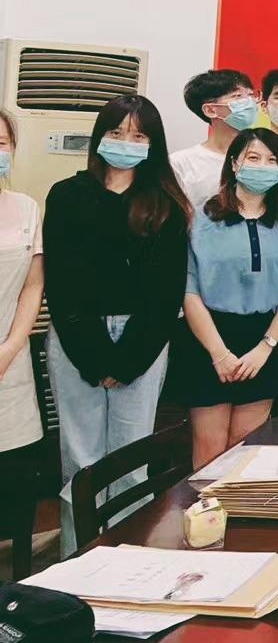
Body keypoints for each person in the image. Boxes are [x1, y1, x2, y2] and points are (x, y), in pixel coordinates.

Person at [43, 95, 189, 555]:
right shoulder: (67, 194)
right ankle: (77, 560)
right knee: (80, 461)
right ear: (99, 137)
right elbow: (60, 280)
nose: (126, 142)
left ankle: (129, 562)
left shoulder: (166, 203)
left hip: (142, 341)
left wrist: (126, 361)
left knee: (131, 458)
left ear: (153, 144)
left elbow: (167, 293)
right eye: (117, 132)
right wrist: (92, 357)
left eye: (139, 135)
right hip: (75, 336)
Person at [178, 129, 278, 467]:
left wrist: (266, 347)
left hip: (263, 339)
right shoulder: (200, 217)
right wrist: (218, 353)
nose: (262, 166)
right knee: (210, 451)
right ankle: (205, 506)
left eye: (271, 160)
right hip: (209, 338)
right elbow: (189, 290)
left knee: (246, 449)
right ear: (234, 164)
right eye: (253, 157)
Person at [0, 110, 44, 575]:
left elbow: (33, 285)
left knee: (13, 477)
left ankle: (17, 585)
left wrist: (12, 346)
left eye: (1, 142)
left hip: (10, 361)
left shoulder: (26, 207)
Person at [169, 69, 257, 211]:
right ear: (210, 110)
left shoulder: (267, 157)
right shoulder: (181, 163)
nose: (249, 102)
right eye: (237, 96)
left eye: (251, 95)